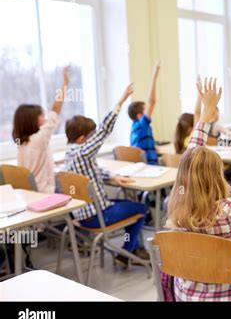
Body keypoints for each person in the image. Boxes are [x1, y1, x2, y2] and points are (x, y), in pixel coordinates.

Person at [166, 78, 231, 301]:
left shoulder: (176, 206)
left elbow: (191, 155)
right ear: (217, 176)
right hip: (224, 296)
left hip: (186, 295)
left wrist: (204, 114)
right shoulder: (227, 210)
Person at [64, 83, 150, 267]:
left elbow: (90, 171)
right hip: (97, 215)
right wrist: (121, 99)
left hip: (80, 215)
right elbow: (105, 129)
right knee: (141, 209)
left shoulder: (70, 154)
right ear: (82, 139)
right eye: (91, 136)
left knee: (130, 206)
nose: (95, 138)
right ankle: (127, 251)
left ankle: (131, 249)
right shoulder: (83, 152)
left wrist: (112, 176)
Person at [13, 67, 70, 193]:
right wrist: (65, 84)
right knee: (74, 191)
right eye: (42, 115)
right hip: (45, 192)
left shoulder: (21, 142)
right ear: (33, 120)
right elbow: (56, 109)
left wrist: (54, 162)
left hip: (30, 193)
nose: (45, 118)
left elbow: (34, 163)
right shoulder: (39, 138)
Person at [129, 62, 161, 165]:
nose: (148, 110)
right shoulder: (141, 125)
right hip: (149, 166)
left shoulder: (135, 127)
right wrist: (154, 78)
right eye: (145, 109)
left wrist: (153, 146)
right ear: (139, 115)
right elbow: (152, 102)